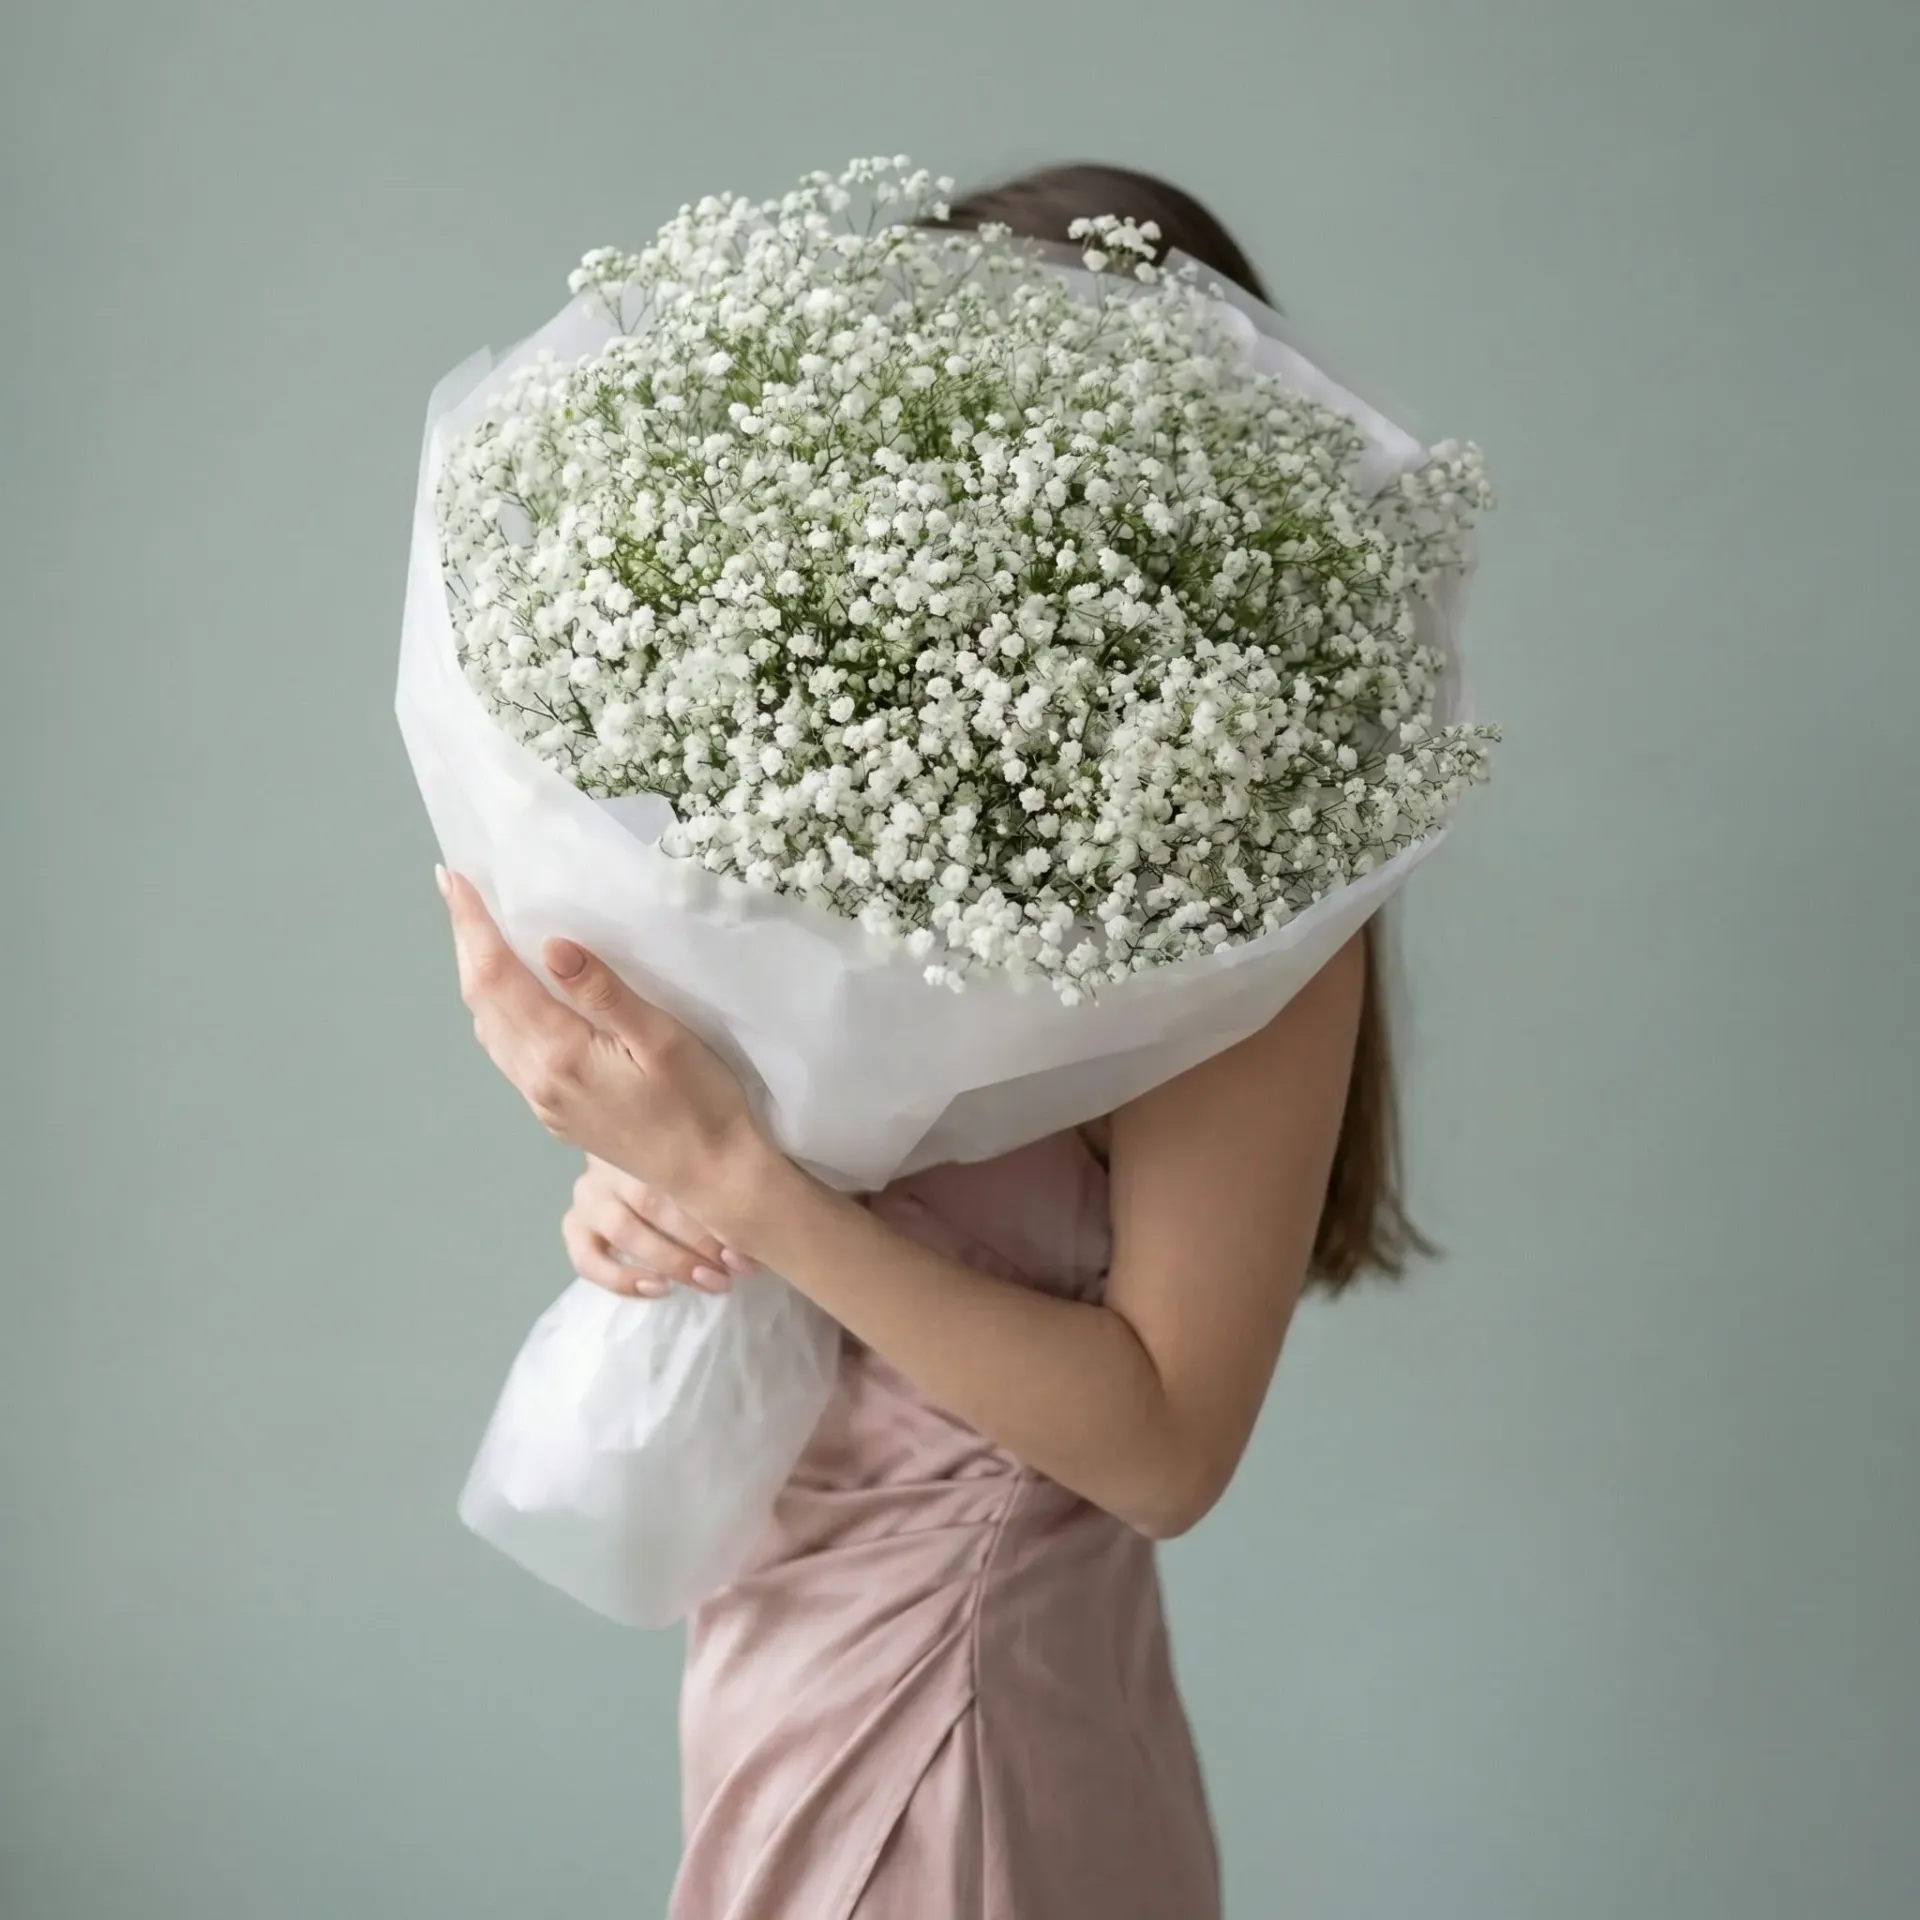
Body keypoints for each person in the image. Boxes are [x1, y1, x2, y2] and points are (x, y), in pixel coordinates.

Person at [437, 164, 1435, 1920]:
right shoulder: (877, 818)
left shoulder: (1242, 918)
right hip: (777, 1651)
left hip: (970, 1718)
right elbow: (812, 1217)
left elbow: (1163, 1450)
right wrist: (647, 1209)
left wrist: (741, 1174)